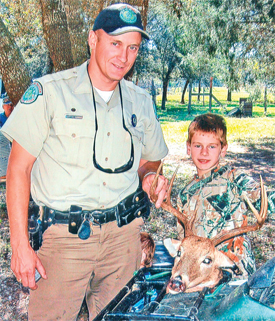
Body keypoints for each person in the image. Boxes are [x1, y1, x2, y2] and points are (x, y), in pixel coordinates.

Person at [1, 3, 169, 320]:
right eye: (115, 43)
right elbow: (18, 169)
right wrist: (21, 245)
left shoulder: (140, 101)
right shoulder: (49, 93)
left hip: (123, 239)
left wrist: (149, 175)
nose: (124, 56)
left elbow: (151, 160)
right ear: (93, 40)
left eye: (133, 48)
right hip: (64, 240)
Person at [176, 113, 274, 278]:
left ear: (223, 150)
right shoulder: (184, 194)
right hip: (199, 276)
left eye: (212, 146)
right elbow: (185, 243)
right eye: (198, 146)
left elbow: (263, 197)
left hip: (234, 273)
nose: (204, 152)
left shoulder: (234, 179)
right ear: (188, 148)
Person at [0, 94, 14, 179]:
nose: (9, 107)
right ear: (3, 106)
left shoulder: (16, 117)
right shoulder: (1, 118)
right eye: (7, 104)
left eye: (11, 104)